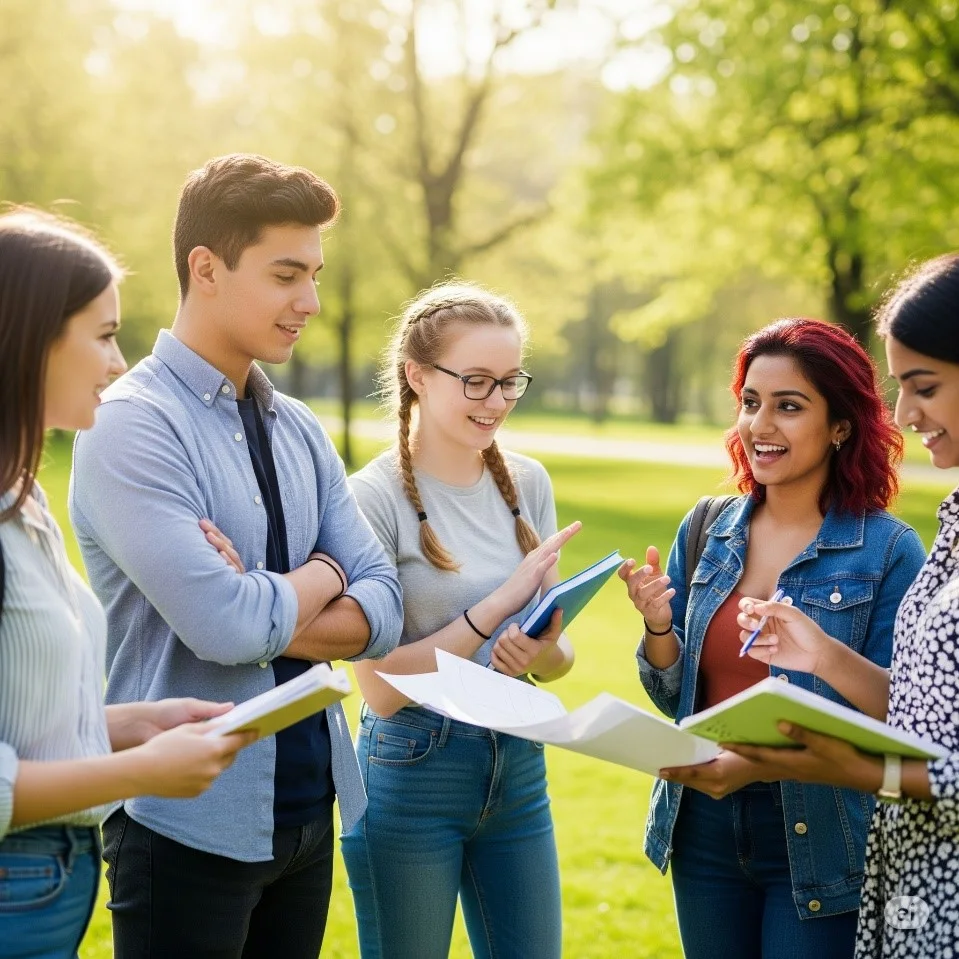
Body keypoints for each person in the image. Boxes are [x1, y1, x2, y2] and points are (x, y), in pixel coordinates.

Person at [69, 155, 404, 959]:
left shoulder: (300, 429)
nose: (311, 303)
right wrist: (325, 574)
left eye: (315, 274)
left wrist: (260, 597)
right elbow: (222, 628)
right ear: (206, 268)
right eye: (287, 274)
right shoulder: (129, 424)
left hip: (308, 812)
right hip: (185, 822)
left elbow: (387, 605)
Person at [619, 318, 926, 959]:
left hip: (821, 830)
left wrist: (821, 651)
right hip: (700, 820)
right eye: (751, 403)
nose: (761, 426)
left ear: (840, 425)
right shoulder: (709, 527)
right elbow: (673, 692)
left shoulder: (888, 548)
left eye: (789, 406)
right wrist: (656, 630)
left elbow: (904, 713)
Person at [0, 210, 252, 959]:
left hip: (52, 880)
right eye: (103, 334)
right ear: (30, 333)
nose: (117, 362)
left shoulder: (26, 499)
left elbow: (20, 718)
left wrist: (133, 721)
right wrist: (138, 770)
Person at [726, 254, 959, 958]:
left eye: (924, 386)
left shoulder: (892, 544)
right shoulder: (954, 520)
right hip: (910, 894)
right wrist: (820, 653)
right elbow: (922, 714)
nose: (904, 413)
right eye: (898, 387)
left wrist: (845, 768)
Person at [340, 282, 579, 959]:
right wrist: (496, 607)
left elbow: (554, 661)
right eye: (475, 381)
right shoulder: (371, 496)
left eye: (509, 382)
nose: (497, 401)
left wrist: (541, 647)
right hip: (413, 769)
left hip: (516, 760)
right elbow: (380, 688)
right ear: (417, 375)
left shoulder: (526, 483)